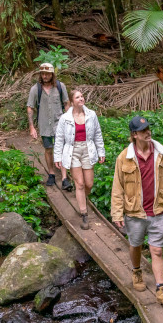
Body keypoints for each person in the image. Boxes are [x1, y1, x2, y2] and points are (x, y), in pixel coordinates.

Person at [110, 115, 163, 310]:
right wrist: (117, 213)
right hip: (134, 212)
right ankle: (136, 271)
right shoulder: (124, 157)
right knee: (135, 245)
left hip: (158, 210)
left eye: (148, 129)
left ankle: (161, 290)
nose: (147, 132)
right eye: (143, 131)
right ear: (134, 135)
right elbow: (117, 188)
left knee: (157, 250)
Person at [53, 90, 105, 230]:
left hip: (88, 149)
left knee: (89, 183)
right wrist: (57, 157)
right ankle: (84, 213)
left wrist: (101, 151)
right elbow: (59, 138)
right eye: (78, 97)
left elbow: (97, 134)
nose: (81, 99)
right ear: (72, 101)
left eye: (82, 96)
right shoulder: (65, 118)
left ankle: (82, 198)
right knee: (80, 184)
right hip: (73, 150)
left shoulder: (91, 114)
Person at [26, 62, 70, 186]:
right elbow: (30, 107)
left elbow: (66, 103)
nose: (45, 76)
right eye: (43, 74)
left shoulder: (60, 87)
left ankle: (64, 178)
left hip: (60, 123)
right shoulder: (36, 89)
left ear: (52, 74)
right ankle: (51, 173)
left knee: (61, 149)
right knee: (48, 149)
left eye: (47, 74)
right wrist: (31, 127)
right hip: (44, 124)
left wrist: (70, 120)